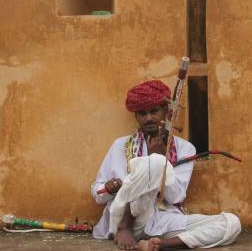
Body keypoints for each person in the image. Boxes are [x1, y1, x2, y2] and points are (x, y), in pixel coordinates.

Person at [91, 80, 241, 250]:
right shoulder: (120, 145)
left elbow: (175, 197)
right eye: (142, 113)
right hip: (121, 217)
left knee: (231, 224)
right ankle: (124, 227)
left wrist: (163, 160)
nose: (148, 118)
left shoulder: (185, 148)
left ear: (166, 112)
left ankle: (158, 245)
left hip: (162, 219)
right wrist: (107, 189)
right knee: (155, 161)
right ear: (136, 117)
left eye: (154, 111)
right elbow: (97, 193)